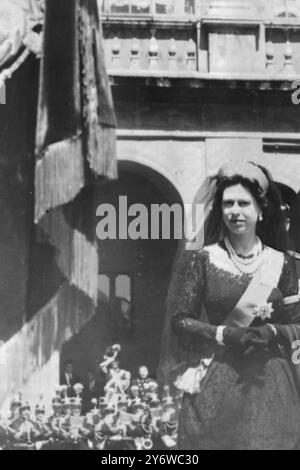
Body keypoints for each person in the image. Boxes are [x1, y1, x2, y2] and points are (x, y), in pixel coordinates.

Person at [159, 160, 300, 450]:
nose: (235, 211)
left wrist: (273, 331)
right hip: (218, 380)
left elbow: (297, 324)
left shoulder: (282, 264)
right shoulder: (202, 260)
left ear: (260, 210)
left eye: (244, 203)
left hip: (271, 384)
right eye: (228, 203)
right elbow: (180, 319)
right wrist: (223, 333)